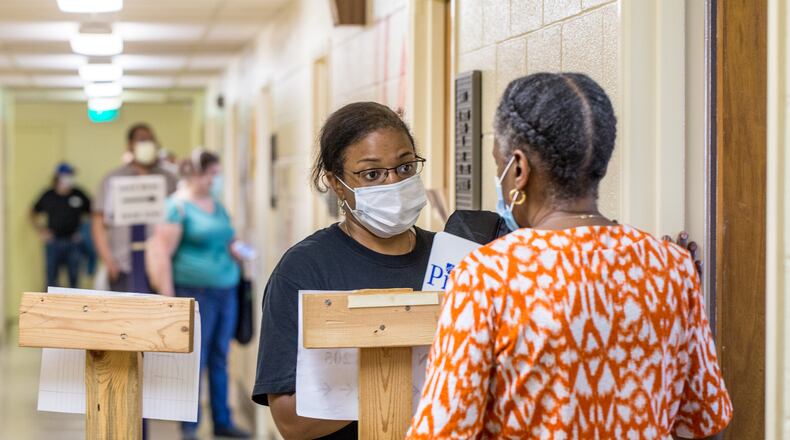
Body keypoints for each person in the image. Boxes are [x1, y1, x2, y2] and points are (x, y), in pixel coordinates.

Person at [407, 73, 732, 439]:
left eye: (498, 164)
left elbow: (442, 432)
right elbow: (703, 420)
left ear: (518, 169)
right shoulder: (671, 267)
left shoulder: (488, 275)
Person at [253, 102, 435, 439]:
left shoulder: (451, 260)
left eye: (405, 167)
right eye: (372, 174)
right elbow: (291, 421)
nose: (393, 182)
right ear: (337, 184)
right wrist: (398, 383)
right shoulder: (304, 270)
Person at [147, 149, 249, 439]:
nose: (216, 179)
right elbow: (162, 254)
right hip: (194, 292)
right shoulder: (176, 207)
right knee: (195, 360)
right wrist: (169, 299)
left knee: (220, 356)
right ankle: (189, 425)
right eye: (212, 174)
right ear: (196, 173)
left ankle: (222, 420)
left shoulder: (216, 205)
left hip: (226, 290)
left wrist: (239, 251)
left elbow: (229, 239)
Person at [91, 123, 178, 293]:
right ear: (130, 145)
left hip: (161, 266)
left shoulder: (169, 179)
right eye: (142, 139)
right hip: (122, 265)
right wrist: (108, 261)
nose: (148, 144)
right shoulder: (112, 179)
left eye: (151, 140)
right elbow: (98, 224)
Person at [31, 162, 92, 288]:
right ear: (58, 177)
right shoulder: (49, 195)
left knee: (74, 281)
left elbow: (94, 214)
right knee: (51, 281)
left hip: (74, 243)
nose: (69, 178)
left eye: (71, 175)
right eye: (66, 175)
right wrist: (41, 231)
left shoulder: (78, 194)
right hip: (54, 243)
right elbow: (32, 213)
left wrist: (83, 231)